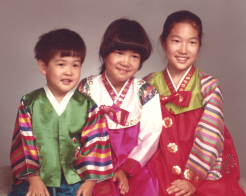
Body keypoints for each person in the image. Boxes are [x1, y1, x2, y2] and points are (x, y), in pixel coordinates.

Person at [144, 10, 246, 196]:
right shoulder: (148, 83)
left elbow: (211, 131)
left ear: (199, 44)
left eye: (192, 42)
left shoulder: (208, 84)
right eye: (176, 41)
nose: (184, 49)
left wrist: (192, 178)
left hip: (201, 161)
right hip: (161, 160)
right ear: (163, 42)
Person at [9, 29, 113, 196]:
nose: (69, 71)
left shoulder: (87, 105)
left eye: (75, 65)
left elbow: (95, 144)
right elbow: (23, 144)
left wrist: (90, 181)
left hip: (74, 179)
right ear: (43, 66)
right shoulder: (29, 102)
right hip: (37, 178)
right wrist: (33, 179)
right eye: (61, 64)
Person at [77, 18, 162, 196]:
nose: (126, 62)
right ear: (105, 53)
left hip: (133, 164)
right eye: (120, 52)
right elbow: (75, 133)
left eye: (134, 56)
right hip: (93, 163)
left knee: (144, 189)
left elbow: (151, 136)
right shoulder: (87, 88)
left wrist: (125, 170)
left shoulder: (146, 92)